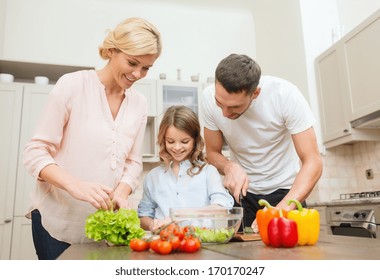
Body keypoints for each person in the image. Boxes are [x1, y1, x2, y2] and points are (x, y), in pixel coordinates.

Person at [23, 17, 162, 260]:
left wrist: (123, 190)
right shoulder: (72, 85)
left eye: (146, 68)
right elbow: (35, 152)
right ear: (111, 51)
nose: (137, 74)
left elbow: (133, 162)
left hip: (104, 229)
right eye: (132, 62)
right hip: (58, 223)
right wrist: (74, 184)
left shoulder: (139, 103)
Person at [201, 54, 323, 231]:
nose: (225, 114)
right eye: (219, 103)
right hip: (241, 194)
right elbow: (212, 153)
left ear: (255, 93)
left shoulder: (285, 95)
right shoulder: (207, 97)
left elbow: (313, 161)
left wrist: (282, 209)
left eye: (235, 107)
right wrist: (229, 167)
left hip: (286, 193)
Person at [138, 105, 234, 231]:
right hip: (165, 243)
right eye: (171, 142)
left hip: (200, 244)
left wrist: (178, 216)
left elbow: (222, 207)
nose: (177, 148)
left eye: (184, 142)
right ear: (163, 140)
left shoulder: (208, 172)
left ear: (195, 140)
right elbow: (144, 215)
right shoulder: (152, 177)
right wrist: (153, 224)